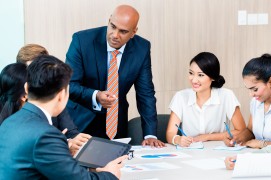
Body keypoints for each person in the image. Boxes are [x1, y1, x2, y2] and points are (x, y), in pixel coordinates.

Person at [0, 55, 127, 179]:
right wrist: (110, 174)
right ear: (61, 94)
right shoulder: (46, 135)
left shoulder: (10, 122)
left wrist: (88, 169)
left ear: (26, 88)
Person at [65, 5, 164, 147]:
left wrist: (150, 134)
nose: (115, 35)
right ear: (109, 20)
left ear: (133, 32)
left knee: (116, 167)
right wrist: (96, 96)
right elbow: (69, 86)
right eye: (113, 26)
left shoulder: (141, 48)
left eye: (123, 31)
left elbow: (145, 93)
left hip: (116, 124)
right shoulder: (82, 41)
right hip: (80, 122)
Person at [16, 43, 91, 152]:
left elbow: (71, 132)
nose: (38, 76)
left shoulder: (54, 95)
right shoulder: (12, 101)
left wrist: (76, 141)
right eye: (33, 71)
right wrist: (63, 143)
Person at [166, 52, 246, 147]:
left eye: (200, 75)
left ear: (212, 77)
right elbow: (170, 133)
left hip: (219, 151)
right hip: (191, 152)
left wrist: (207, 137)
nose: (194, 80)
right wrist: (178, 139)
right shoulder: (180, 97)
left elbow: (242, 131)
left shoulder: (226, 96)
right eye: (191, 73)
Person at [225, 54, 271, 148]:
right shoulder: (256, 102)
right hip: (260, 156)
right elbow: (250, 131)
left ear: (270, 82)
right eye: (249, 89)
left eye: (255, 89)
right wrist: (237, 138)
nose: (251, 94)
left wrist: (261, 144)